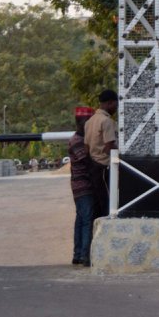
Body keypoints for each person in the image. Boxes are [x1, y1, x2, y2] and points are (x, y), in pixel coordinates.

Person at [68, 106, 96, 266]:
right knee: (86, 220)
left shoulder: (77, 139)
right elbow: (87, 162)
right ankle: (84, 255)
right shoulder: (78, 141)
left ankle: (78, 254)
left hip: (78, 186)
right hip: (83, 185)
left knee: (80, 220)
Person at [86, 88, 118, 217]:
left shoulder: (90, 121)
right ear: (110, 103)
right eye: (115, 105)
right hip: (104, 167)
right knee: (109, 203)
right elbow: (108, 146)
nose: (116, 109)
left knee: (99, 202)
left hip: (93, 165)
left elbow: (86, 147)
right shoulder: (107, 121)